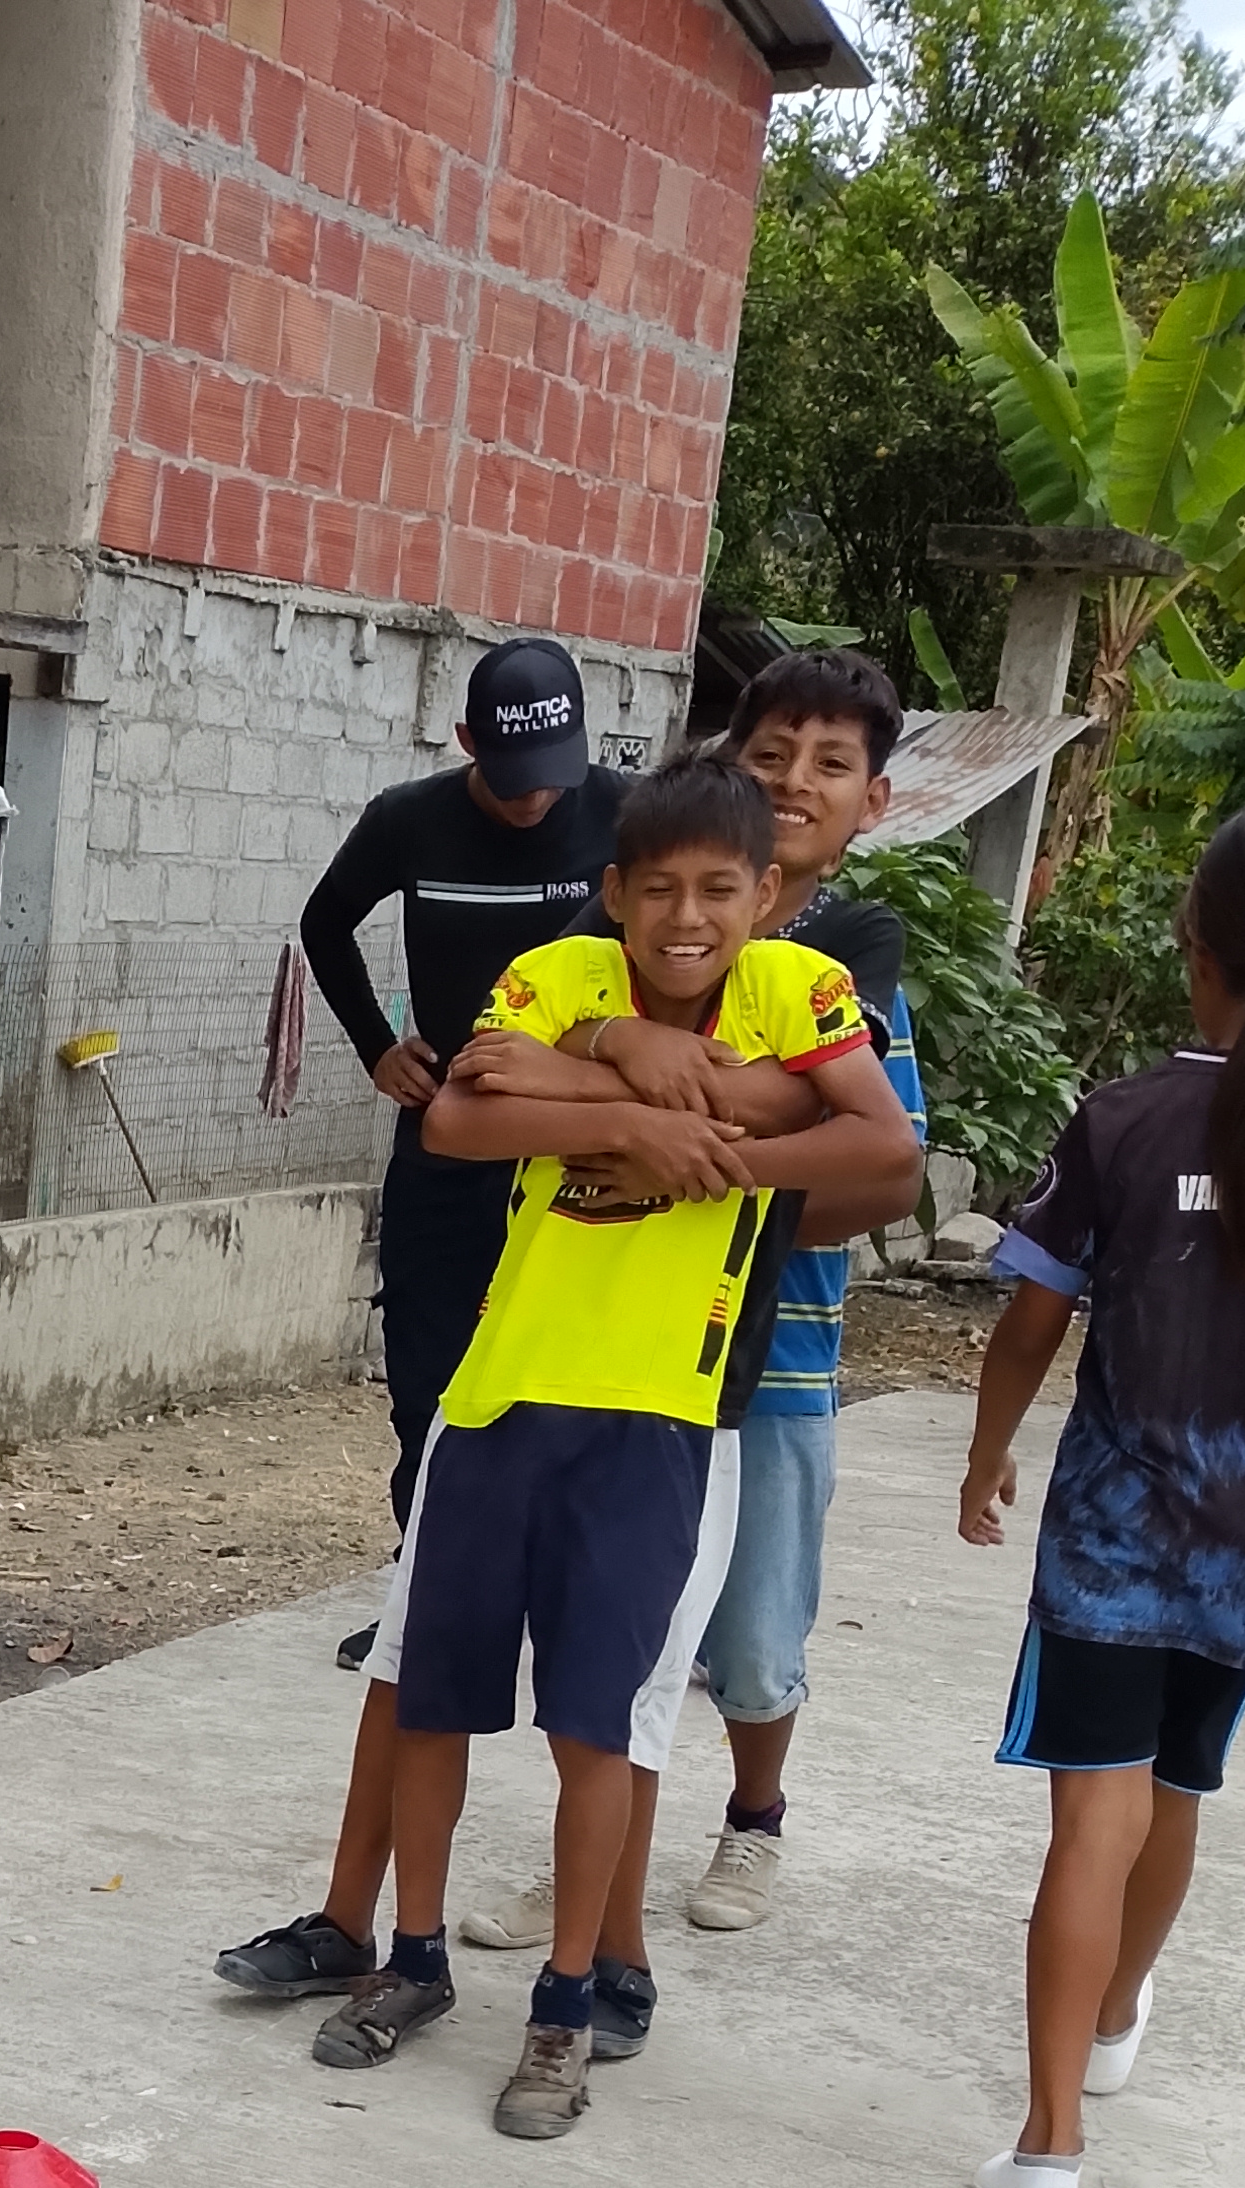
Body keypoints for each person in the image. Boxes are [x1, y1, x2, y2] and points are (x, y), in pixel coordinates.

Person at [270, 756, 921, 2140]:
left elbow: (885, 1151)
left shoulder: (798, 991)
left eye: (719, 891)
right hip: (498, 1395)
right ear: (615, 891)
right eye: (660, 889)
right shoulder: (560, 971)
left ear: (764, 897)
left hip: (657, 1417)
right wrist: (629, 1101)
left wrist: (715, 1152)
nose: (688, 918)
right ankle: (416, 1959)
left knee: (596, 1729)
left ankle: (565, 2005)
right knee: (435, 1699)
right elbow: (460, 1115)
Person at [458, 649, 928, 1966]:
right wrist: (618, 1048)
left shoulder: (849, 960)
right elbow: (508, 1072)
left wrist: (693, 1167)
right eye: (771, 753)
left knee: (757, 1634)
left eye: (831, 764)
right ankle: (592, 1880)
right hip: (618, 1345)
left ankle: (755, 1815)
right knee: (624, 1641)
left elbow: (873, 1163)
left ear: (873, 801)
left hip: (775, 1352)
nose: (795, 780)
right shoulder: (634, 934)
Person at [958, 799, 1245, 2188]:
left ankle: (1048, 2151)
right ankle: (1122, 2009)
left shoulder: (1128, 1118)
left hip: (1111, 1543)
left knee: (1098, 1811)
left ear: (1196, 947)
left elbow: (1031, 1320)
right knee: (1180, 1790)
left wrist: (988, 1454)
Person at [297, 640, 631, 1637]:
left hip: (574, 1150)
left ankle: (558, 1602)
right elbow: (325, 924)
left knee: (562, 1382)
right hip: (448, 1140)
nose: (537, 799)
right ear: (466, 741)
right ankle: (428, 1605)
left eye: (554, 775)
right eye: (515, 776)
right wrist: (376, 1047)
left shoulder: (629, 815)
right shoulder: (409, 820)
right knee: (429, 1378)